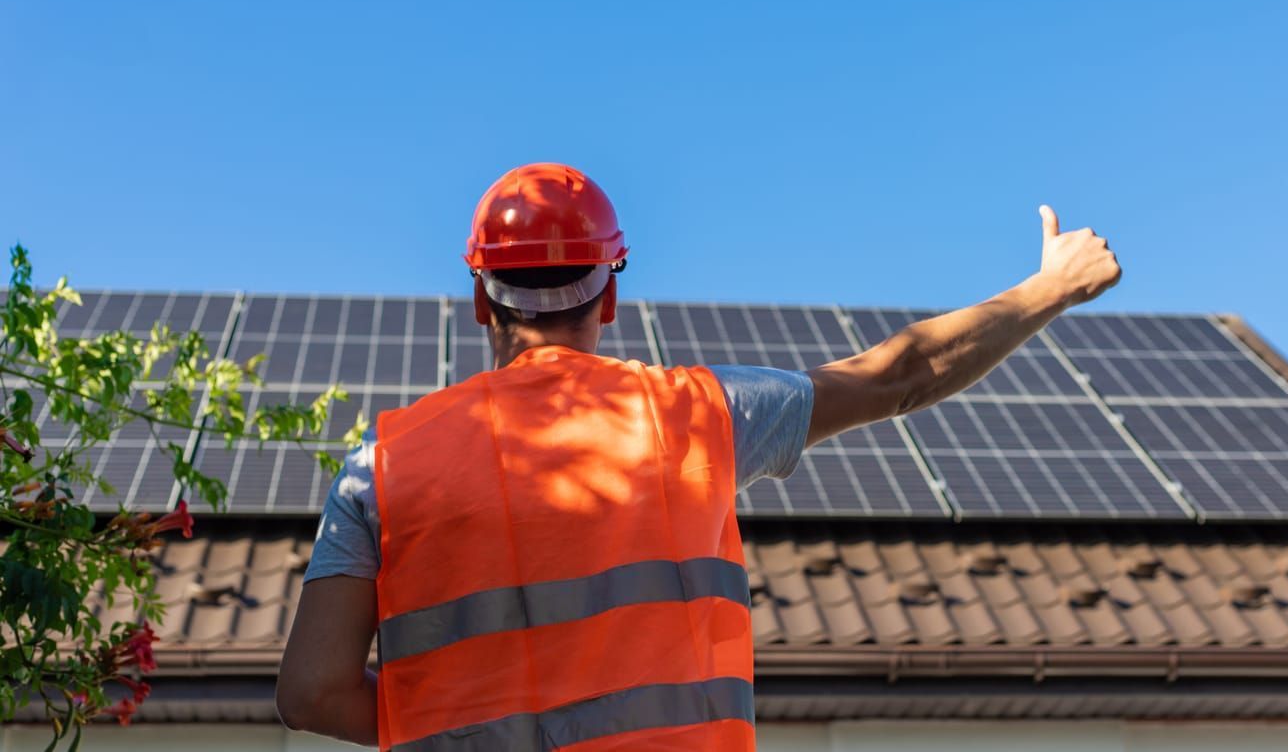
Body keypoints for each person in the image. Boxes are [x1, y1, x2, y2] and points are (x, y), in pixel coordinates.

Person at [276, 162, 1120, 750]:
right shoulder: (692, 415)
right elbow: (900, 374)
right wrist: (1050, 287)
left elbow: (311, 693)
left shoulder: (379, 468)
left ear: (476, 298)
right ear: (610, 293)